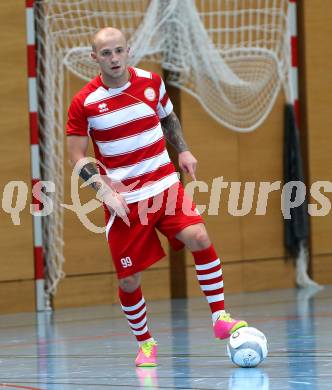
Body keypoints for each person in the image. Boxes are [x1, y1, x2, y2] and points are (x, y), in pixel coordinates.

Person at [66, 27, 247, 367]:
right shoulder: (85, 103)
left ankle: (220, 316)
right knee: (129, 278)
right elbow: (76, 157)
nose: (114, 58)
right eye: (106, 53)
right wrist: (104, 193)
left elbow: (168, 117)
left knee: (199, 235)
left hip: (164, 185)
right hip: (125, 200)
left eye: (119, 50)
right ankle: (146, 343)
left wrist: (184, 151)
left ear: (128, 50)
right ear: (95, 58)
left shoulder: (151, 83)